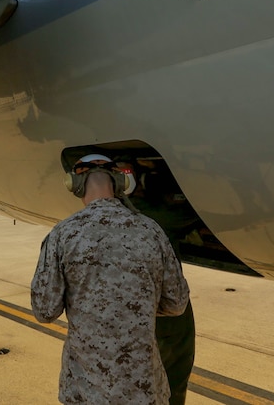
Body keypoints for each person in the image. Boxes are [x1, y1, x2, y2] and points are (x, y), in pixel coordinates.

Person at [31, 154, 190, 404]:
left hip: (87, 391)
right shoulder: (151, 230)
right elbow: (177, 303)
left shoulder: (63, 234)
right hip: (145, 390)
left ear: (75, 185)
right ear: (118, 184)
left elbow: (44, 310)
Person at [122, 160, 197, 405]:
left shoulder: (113, 216)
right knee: (173, 378)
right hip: (166, 320)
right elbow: (191, 214)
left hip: (130, 318)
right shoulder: (157, 216)